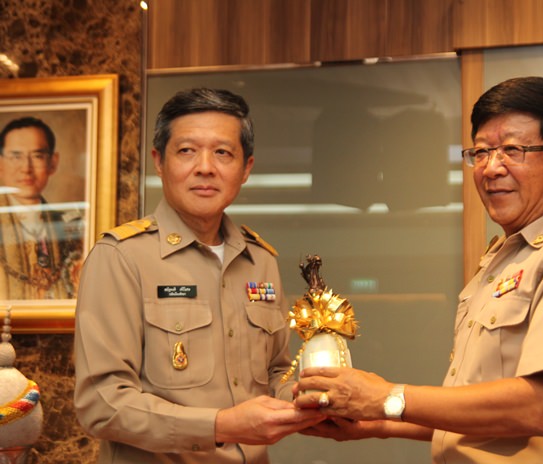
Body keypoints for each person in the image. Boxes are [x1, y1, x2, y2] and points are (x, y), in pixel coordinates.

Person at [293, 76, 543, 463]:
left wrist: (387, 396)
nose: (491, 168)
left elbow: (539, 407)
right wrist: (374, 420)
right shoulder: (503, 257)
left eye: (512, 150)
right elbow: (486, 416)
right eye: (481, 152)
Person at [74, 88, 325, 463]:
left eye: (223, 152)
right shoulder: (121, 258)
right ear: (159, 162)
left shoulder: (261, 261)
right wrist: (221, 425)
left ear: (246, 168)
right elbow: (101, 402)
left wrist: (304, 395)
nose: (205, 166)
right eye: (187, 150)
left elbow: (275, 371)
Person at [0, 116, 83, 299]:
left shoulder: (72, 229)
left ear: (52, 163)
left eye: (37, 156)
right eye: (16, 156)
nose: (26, 168)